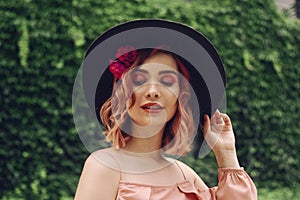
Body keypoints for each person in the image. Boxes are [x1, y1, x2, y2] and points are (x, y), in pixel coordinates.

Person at [74, 20, 257, 200]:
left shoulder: (186, 177)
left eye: (167, 82)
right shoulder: (105, 167)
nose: (153, 92)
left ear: (181, 98)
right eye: (138, 80)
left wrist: (226, 154)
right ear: (122, 93)